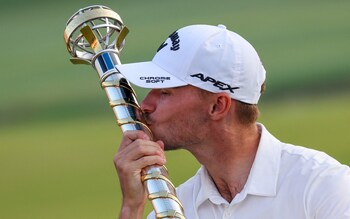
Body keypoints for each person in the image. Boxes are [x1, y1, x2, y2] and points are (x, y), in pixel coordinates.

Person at [113, 24, 350, 219]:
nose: (145, 105)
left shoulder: (324, 185)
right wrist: (132, 207)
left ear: (218, 106)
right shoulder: (173, 208)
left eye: (165, 93)